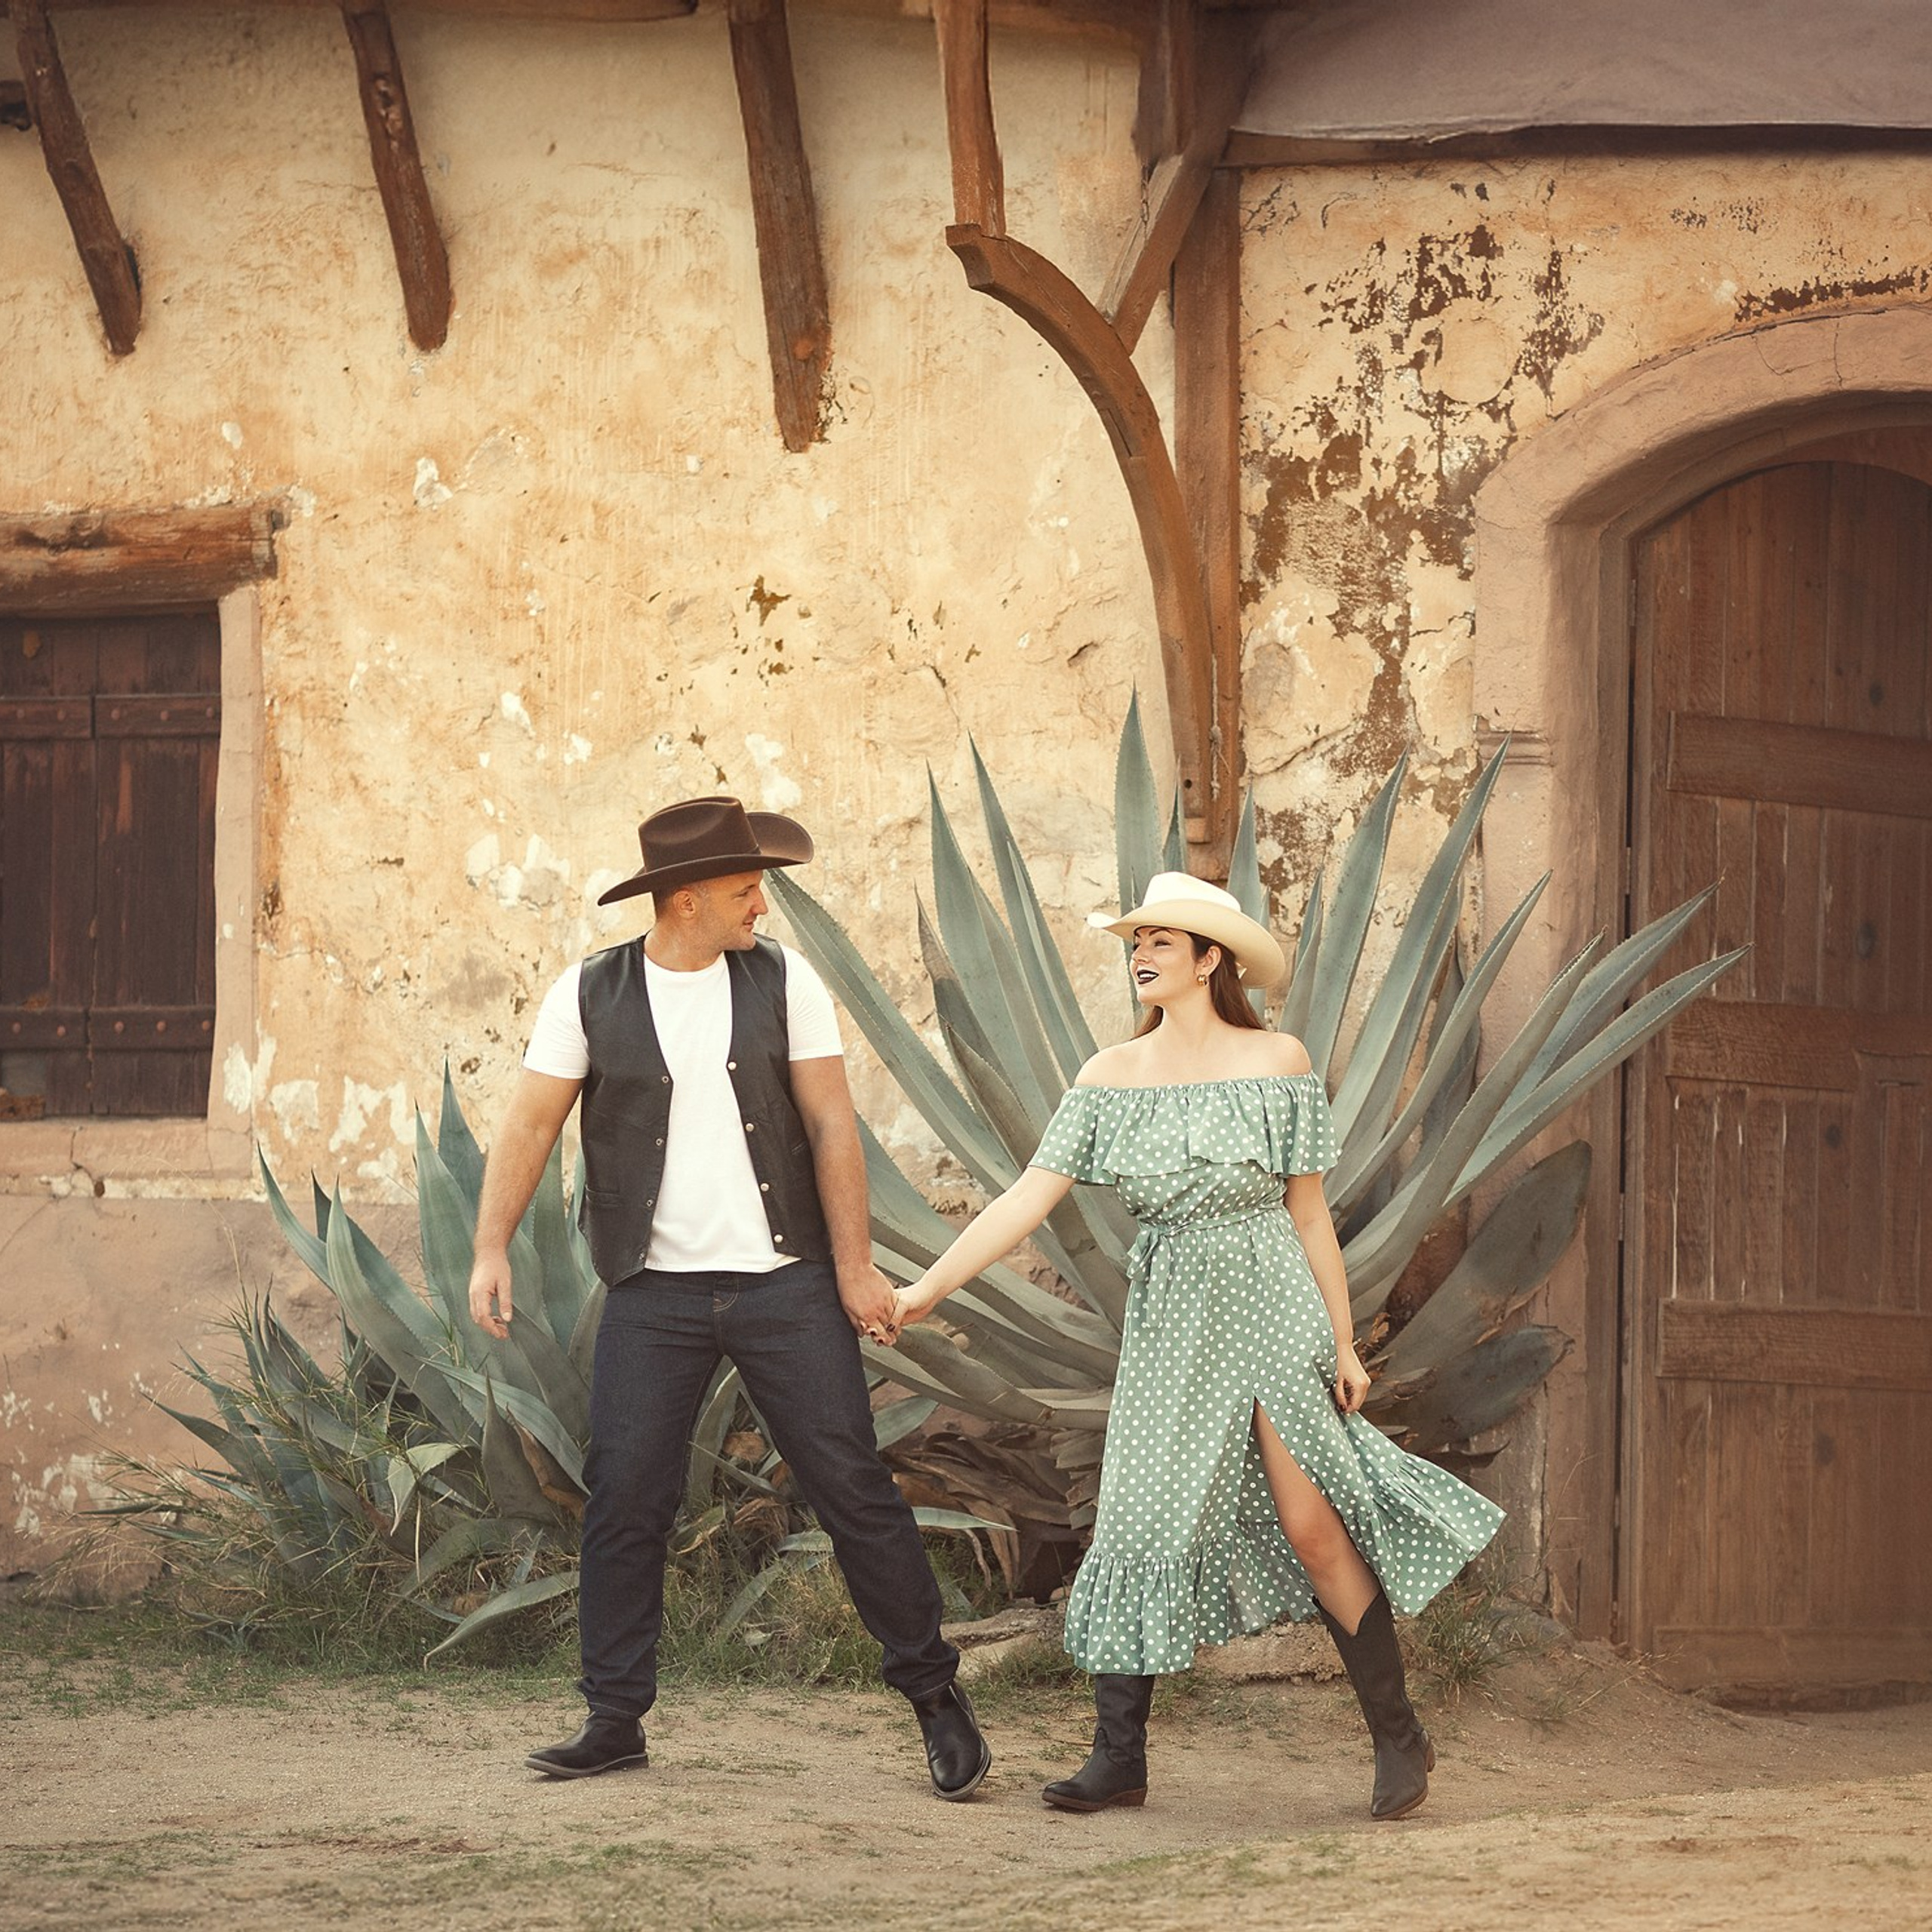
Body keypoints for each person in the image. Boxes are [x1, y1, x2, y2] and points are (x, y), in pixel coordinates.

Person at [893, 872, 1503, 1821]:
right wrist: (925, 1290)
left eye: (1161, 942)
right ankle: (1118, 1759)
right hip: (1173, 1315)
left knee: (1311, 1522)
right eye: (1134, 941)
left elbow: (1308, 1214)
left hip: (1268, 1304)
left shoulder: (1276, 1058)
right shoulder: (1107, 1077)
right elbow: (1025, 1198)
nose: (1139, 955)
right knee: (1138, 1519)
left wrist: (1343, 1342)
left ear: (1210, 958)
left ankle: (1397, 1738)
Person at [467, 795, 989, 1798]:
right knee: (625, 1498)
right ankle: (614, 1720)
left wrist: (849, 1268)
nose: (764, 904)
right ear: (688, 896)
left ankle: (936, 1700)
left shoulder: (786, 983)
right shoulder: (586, 994)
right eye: (747, 888)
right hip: (652, 1294)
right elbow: (529, 1124)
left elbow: (834, 1128)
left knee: (853, 1489)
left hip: (785, 1285)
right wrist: (490, 1246)